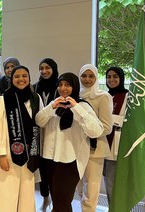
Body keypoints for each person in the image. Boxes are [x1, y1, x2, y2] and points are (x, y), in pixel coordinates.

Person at [35, 72, 104, 212]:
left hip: (70, 161)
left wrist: (76, 107)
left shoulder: (83, 106)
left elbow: (96, 131)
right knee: (58, 200)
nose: (63, 88)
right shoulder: (53, 104)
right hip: (50, 159)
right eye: (60, 85)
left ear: (74, 86)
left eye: (67, 85)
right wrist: (51, 107)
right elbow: (39, 121)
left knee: (62, 200)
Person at [0, 65, 43, 212]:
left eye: (24, 76)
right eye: (17, 76)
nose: (21, 79)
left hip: (30, 152)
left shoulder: (35, 99)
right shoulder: (4, 98)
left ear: (29, 78)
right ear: (12, 79)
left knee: (26, 193)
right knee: (6, 193)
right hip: (9, 152)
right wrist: (1, 154)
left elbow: (41, 122)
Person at [78, 64, 113, 212]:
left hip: (95, 149)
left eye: (91, 76)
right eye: (84, 76)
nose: (87, 79)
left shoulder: (103, 97)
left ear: (96, 78)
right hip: (77, 148)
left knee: (91, 189)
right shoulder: (76, 95)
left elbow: (107, 127)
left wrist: (88, 131)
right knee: (79, 188)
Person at [33, 58, 59, 211]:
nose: (44, 71)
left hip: (55, 133)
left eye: (47, 68)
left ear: (54, 69)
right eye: (41, 68)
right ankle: (45, 198)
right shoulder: (35, 88)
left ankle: (56, 200)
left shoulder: (60, 87)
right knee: (42, 169)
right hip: (38, 133)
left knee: (54, 169)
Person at [103, 67, 128, 205]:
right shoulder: (104, 95)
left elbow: (128, 120)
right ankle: (112, 207)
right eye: (108, 77)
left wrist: (106, 119)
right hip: (103, 141)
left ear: (121, 78)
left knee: (115, 182)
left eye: (115, 77)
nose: (111, 79)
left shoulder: (128, 96)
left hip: (118, 143)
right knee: (107, 181)